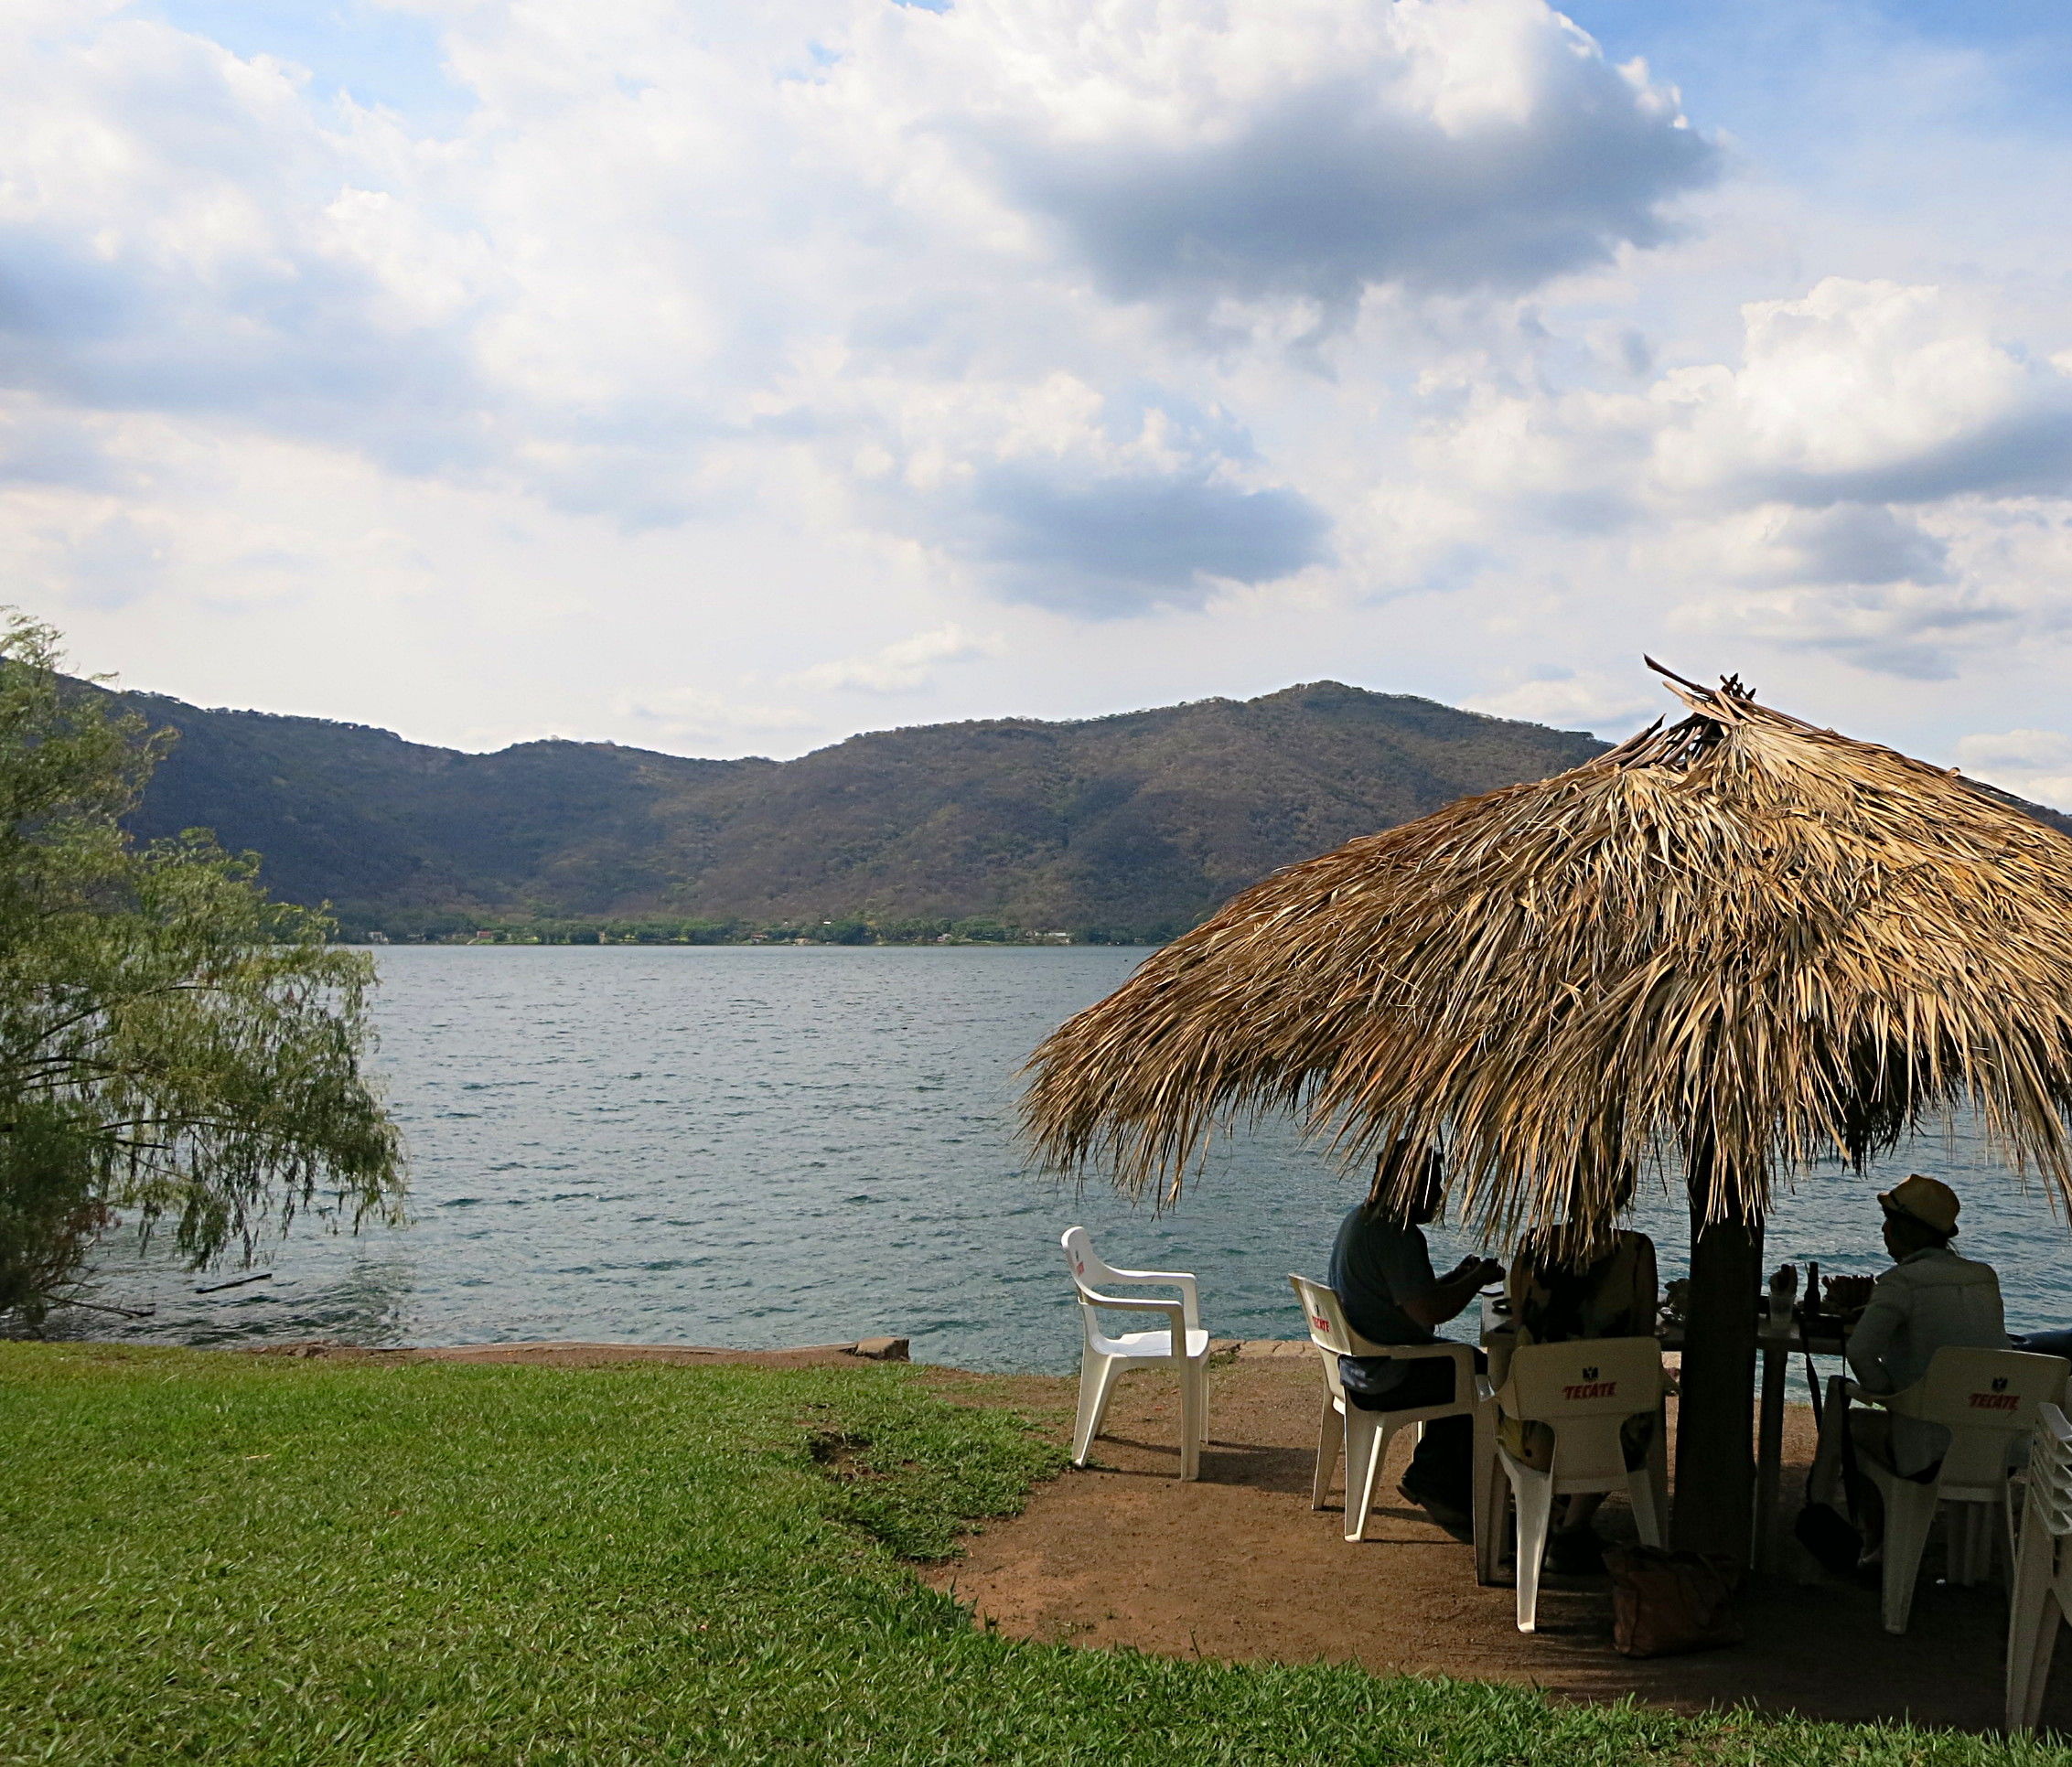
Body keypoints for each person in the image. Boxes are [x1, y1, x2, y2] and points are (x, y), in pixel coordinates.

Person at [1328, 1141, 1503, 1536]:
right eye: (1433, 1185)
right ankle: (1436, 1480)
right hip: (1386, 1375)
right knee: (1480, 1373)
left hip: (1358, 1367)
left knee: (1464, 1363)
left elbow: (1409, 1299)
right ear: (1409, 1185)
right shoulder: (1397, 1234)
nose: (1440, 1195)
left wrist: (1457, 1277)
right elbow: (1429, 1313)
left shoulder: (1362, 1220)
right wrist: (1476, 1280)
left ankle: (1434, 1472)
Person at [1495, 1211, 1659, 1573]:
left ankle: (1561, 1520)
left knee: (1553, 1394)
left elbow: (1523, 1333)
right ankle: (1573, 1527)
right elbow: (1642, 1341)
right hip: (1614, 1439)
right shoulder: (1636, 1251)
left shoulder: (1533, 1244)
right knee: (1618, 1405)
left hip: (1536, 1438)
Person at [1846, 1174, 2006, 1484]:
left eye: (1887, 1222)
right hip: (1994, 1453)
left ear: (1901, 1229)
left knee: (1846, 1423)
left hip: (1925, 1453)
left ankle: (1840, 1510)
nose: (1882, 1230)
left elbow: (1860, 1352)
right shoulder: (1984, 1278)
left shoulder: (1901, 1282)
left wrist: (1895, 1398)